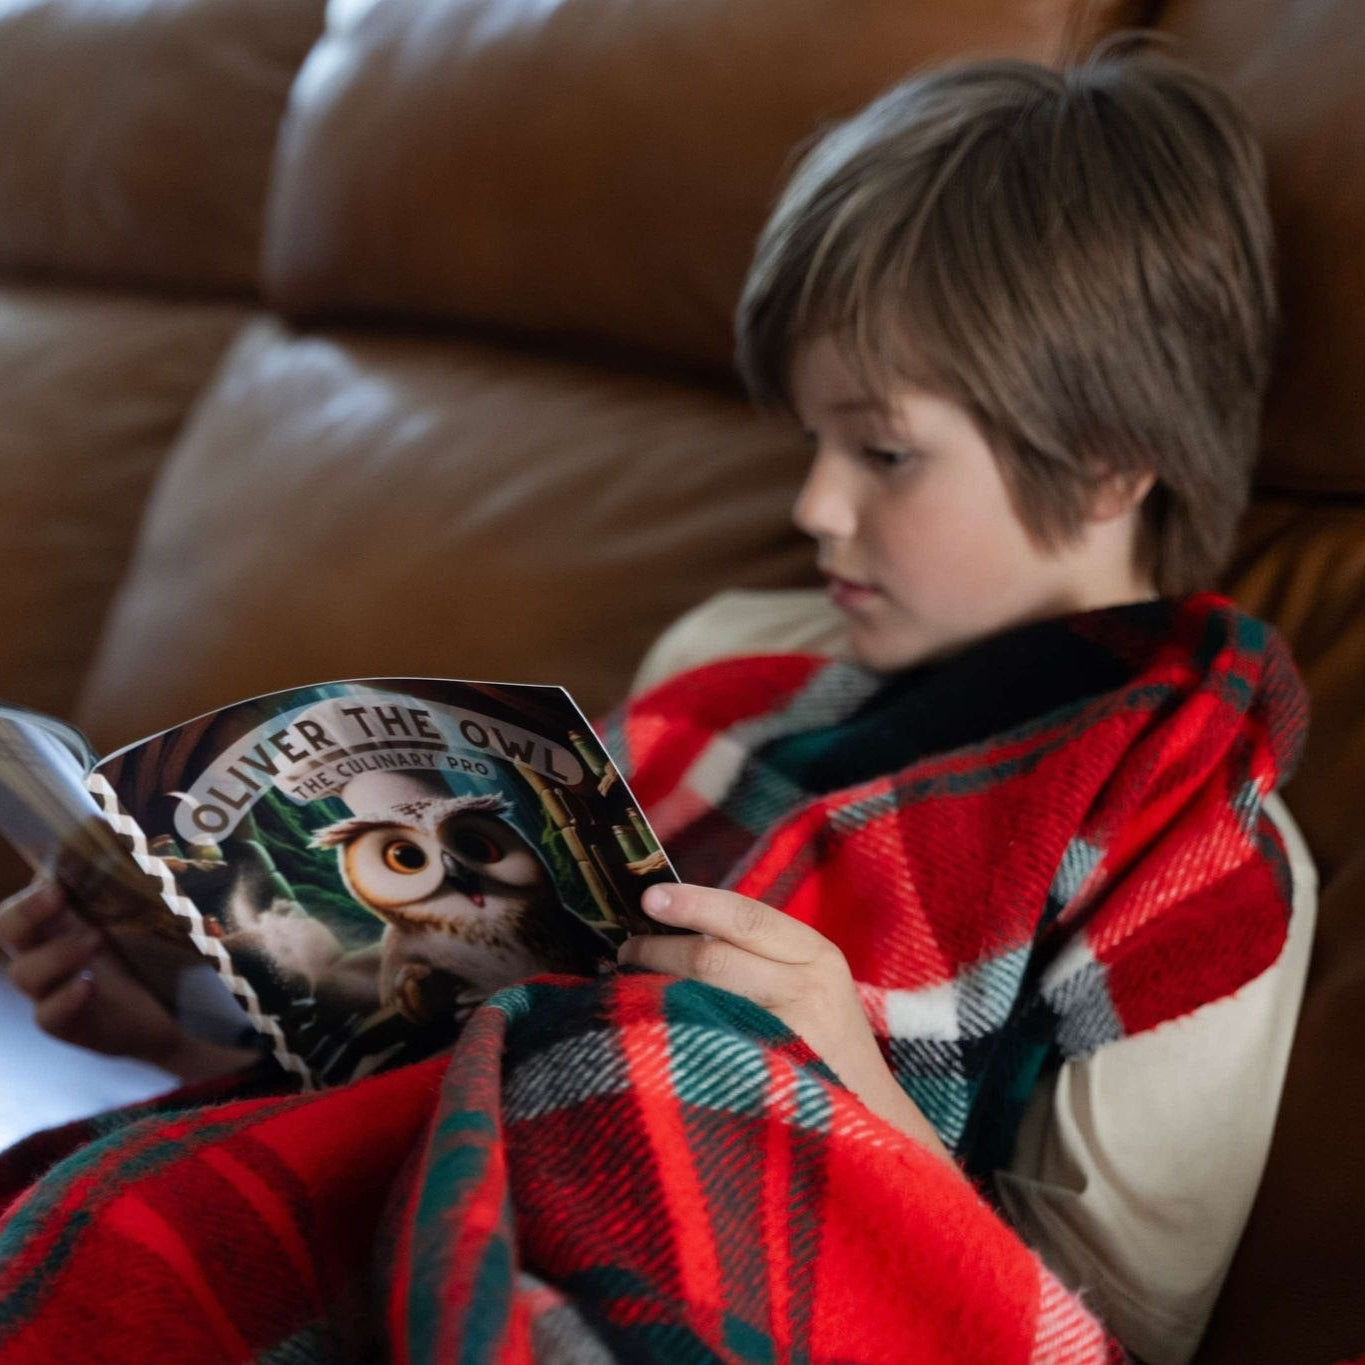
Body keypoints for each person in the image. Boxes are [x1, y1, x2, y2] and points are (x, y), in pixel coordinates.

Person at [0, 43, 1313, 1365]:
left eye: (883, 450)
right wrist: (184, 1018)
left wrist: (839, 1093)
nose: (813, 507)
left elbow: (1105, 1340)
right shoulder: (731, 659)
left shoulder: (1192, 847)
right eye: (808, 439)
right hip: (459, 1191)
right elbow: (459, 1047)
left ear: (1105, 466)